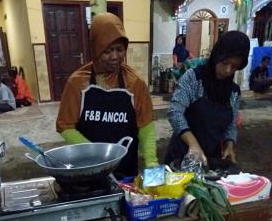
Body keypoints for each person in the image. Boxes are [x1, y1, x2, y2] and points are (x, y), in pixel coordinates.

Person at [56, 12, 158, 178]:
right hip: (89, 170)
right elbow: (65, 126)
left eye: (120, 50)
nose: (115, 57)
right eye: (107, 51)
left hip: (127, 172)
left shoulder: (135, 83)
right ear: (96, 49)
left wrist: (152, 163)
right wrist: (96, 155)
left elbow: (146, 125)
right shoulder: (77, 83)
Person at [165, 30, 250, 166]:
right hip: (181, 156)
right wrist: (194, 145)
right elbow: (174, 112)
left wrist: (229, 145)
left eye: (234, 66)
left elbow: (231, 125)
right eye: (225, 62)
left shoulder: (234, 92)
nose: (228, 70)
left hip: (211, 159)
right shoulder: (194, 78)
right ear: (217, 56)